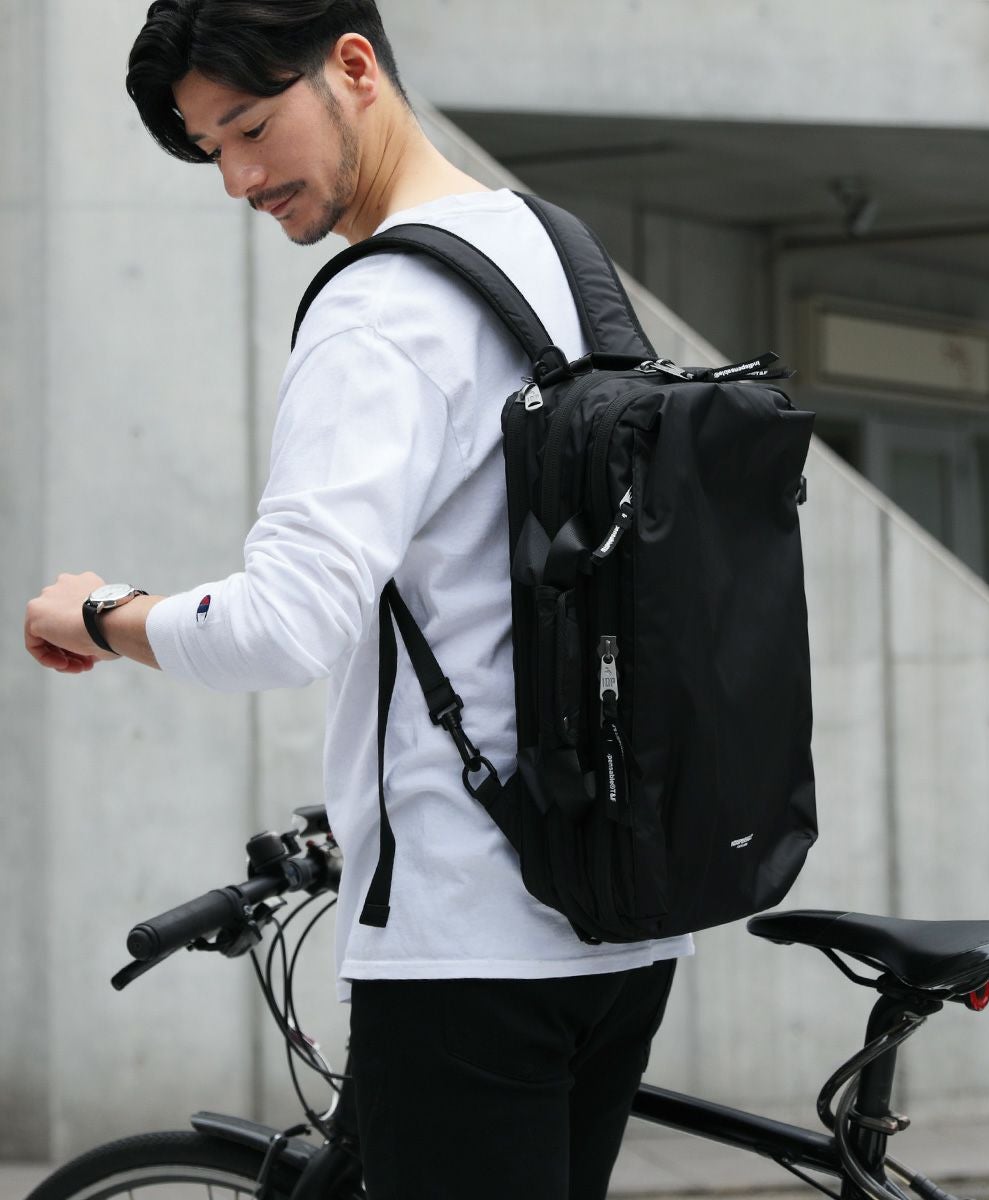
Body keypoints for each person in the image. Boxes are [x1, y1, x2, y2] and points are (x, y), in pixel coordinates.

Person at [24, 2, 692, 1196]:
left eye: (249, 127)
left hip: (466, 944)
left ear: (352, 66)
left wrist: (101, 613)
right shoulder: (560, 256)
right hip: (618, 916)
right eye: (209, 150)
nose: (237, 179)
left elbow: (284, 625)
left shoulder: (380, 307)